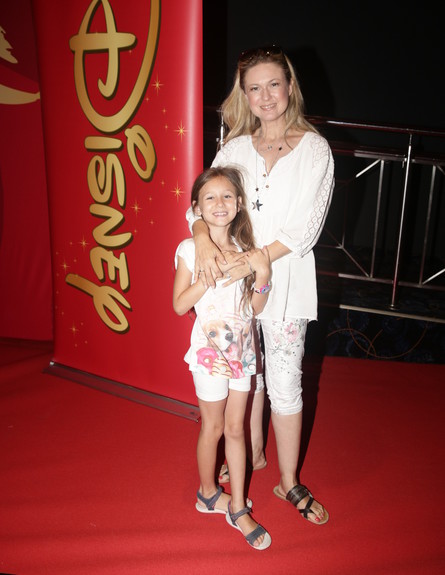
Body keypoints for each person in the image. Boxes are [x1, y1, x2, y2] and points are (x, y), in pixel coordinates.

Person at [187, 45, 334, 525]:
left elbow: (304, 230)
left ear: (290, 86)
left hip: (285, 281)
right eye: (255, 88)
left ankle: (289, 481)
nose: (265, 96)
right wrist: (201, 237)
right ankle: (252, 452)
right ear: (244, 96)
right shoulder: (234, 148)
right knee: (243, 376)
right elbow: (201, 202)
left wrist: (255, 260)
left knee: (285, 382)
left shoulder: (314, 149)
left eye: (274, 84)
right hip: (231, 291)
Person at [173, 166, 272, 550]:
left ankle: (237, 505)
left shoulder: (247, 250)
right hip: (208, 356)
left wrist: (261, 274)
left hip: (242, 355)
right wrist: (207, 275)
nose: (219, 203)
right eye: (210, 197)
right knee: (212, 428)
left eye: (227, 196)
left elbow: (255, 308)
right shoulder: (188, 249)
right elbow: (179, 304)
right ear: (196, 207)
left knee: (236, 429)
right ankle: (207, 493)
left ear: (239, 204)